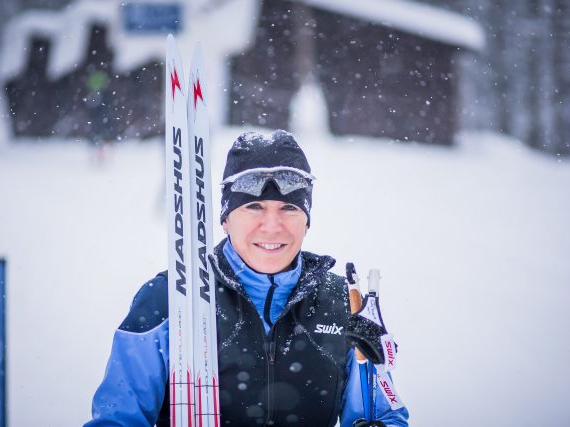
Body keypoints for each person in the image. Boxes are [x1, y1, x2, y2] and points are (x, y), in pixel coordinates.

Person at [84, 130, 409, 426]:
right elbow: (117, 420)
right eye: (254, 206)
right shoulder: (168, 298)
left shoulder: (344, 303)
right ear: (225, 219)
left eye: (289, 209)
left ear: (307, 221)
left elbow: (385, 413)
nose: (272, 226)